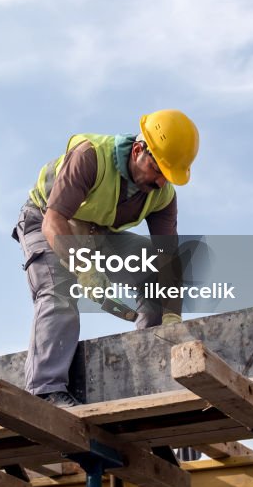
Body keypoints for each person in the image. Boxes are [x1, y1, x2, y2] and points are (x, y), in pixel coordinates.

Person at [13, 109, 199, 407]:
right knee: (59, 292)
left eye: (168, 175)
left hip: (96, 232)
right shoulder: (90, 157)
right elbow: (54, 222)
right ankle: (46, 391)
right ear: (139, 150)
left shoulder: (162, 196)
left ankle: (151, 359)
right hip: (45, 220)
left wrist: (172, 313)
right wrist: (84, 268)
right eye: (158, 170)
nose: (162, 182)